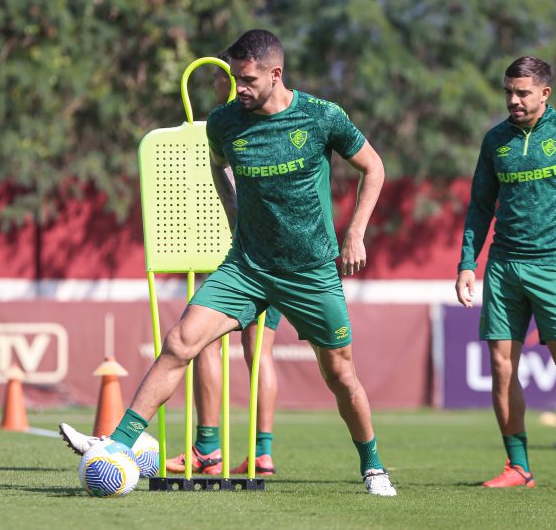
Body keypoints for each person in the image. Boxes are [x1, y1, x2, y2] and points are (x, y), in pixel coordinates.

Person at [61, 29, 396, 496]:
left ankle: (374, 466)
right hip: (247, 268)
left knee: (340, 373)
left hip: (310, 271)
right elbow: (219, 166)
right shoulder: (224, 122)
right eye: (235, 78)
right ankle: (117, 444)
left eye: (248, 79)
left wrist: (356, 232)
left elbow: (374, 168)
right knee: (180, 342)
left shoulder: (323, 117)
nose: (239, 88)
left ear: (276, 74)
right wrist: (234, 213)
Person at [455, 56, 556, 488]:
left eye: (522, 92)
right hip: (503, 267)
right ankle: (518, 467)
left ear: (544, 93)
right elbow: (478, 206)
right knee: (501, 366)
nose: (513, 99)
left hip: (554, 268)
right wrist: (467, 264)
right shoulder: (496, 141)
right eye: (508, 91)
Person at [165, 50, 282, 477]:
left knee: (204, 342)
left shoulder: (230, 127)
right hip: (272, 251)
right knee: (259, 351)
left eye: (226, 79)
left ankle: (209, 449)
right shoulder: (266, 124)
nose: (223, 84)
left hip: (235, 254)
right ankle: (262, 451)